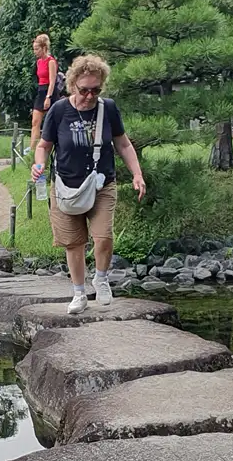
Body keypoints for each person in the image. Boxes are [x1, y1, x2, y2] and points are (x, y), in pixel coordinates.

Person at [34, 54, 146, 315]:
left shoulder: (108, 108)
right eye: (84, 90)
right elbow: (44, 146)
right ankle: (79, 293)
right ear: (73, 85)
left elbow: (123, 143)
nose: (89, 96)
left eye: (95, 90)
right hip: (66, 186)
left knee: (103, 236)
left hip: (101, 182)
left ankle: (102, 278)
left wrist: (137, 174)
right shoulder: (59, 111)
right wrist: (38, 164)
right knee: (73, 242)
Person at [29, 34, 60, 155]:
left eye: (37, 49)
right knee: (35, 122)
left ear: (44, 48)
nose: (35, 51)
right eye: (34, 49)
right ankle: (31, 150)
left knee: (53, 121)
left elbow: (52, 81)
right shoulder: (38, 62)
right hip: (41, 90)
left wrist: (48, 97)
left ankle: (54, 146)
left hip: (50, 91)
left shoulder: (51, 61)